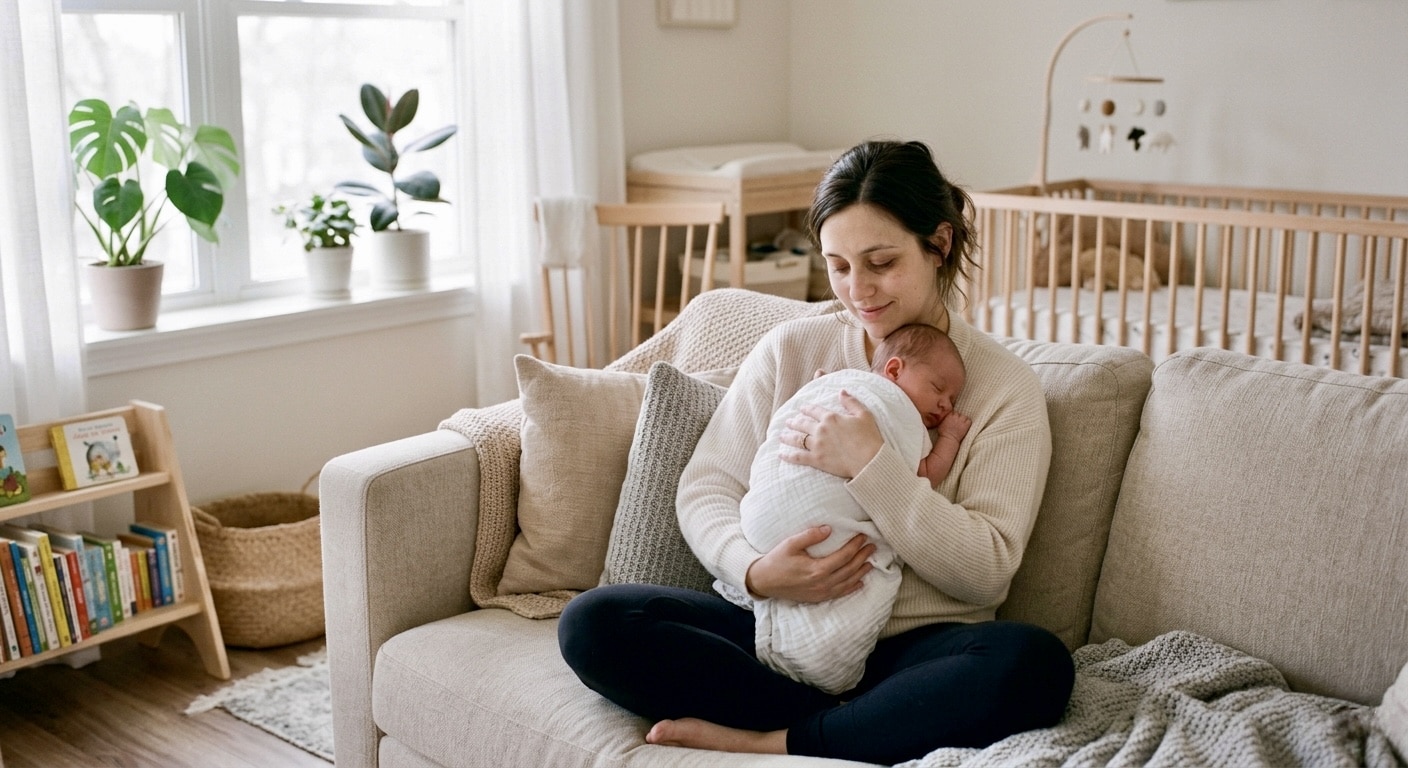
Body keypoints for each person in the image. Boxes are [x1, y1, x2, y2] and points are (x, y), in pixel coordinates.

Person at [559, 139, 1074, 765]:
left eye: (881, 262)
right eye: (838, 265)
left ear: (938, 245)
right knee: (595, 623)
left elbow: (987, 567)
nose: (859, 290)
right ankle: (862, 728)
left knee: (1033, 665)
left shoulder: (1002, 387)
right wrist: (755, 570)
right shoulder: (793, 349)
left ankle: (778, 739)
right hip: (776, 626)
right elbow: (707, 488)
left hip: (911, 652)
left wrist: (873, 469)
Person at [720, 323, 971, 696]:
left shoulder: (837, 384)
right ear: (893, 370)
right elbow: (927, 474)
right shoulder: (883, 404)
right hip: (772, 553)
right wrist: (949, 438)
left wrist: (863, 454)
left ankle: (788, 722)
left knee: (1025, 655)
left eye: (952, 399)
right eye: (937, 389)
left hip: (760, 523)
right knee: (606, 616)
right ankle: (819, 701)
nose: (945, 405)